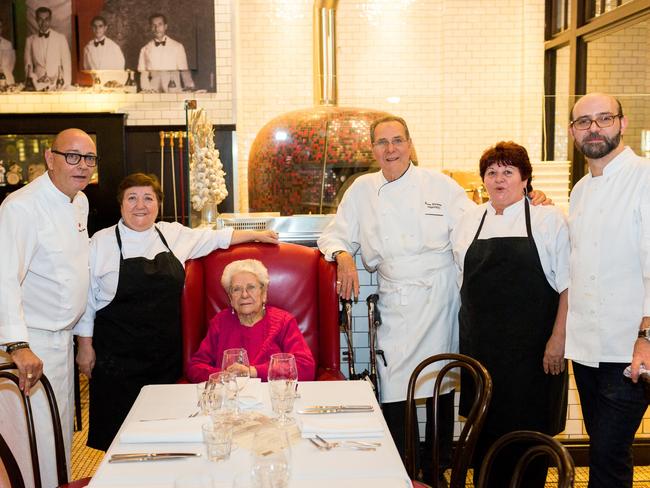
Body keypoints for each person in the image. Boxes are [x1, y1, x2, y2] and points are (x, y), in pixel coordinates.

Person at [317, 115, 549, 484]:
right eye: (382, 142)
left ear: (410, 144)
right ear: (373, 149)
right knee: (395, 389)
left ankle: (437, 469)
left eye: (397, 141)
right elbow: (334, 235)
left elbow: (483, 219)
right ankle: (401, 470)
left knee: (441, 380)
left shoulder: (440, 185)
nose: (390, 149)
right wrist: (343, 256)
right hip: (395, 298)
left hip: (441, 297)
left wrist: (528, 199)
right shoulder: (361, 189)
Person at [75, 172, 278, 451]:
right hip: (117, 360)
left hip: (165, 359)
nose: (140, 205)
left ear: (158, 204)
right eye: (132, 198)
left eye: (148, 198)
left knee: (167, 435)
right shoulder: (101, 241)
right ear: (120, 205)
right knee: (120, 442)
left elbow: (218, 238)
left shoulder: (172, 234)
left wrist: (256, 234)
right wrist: (84, 346)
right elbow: (86, 297)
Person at [452, 141, 569, 487]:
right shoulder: (469, 221)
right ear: (483, 180)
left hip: (533, 356)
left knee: (528, 447)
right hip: (481, 354)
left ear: (525, 179)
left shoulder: (549, 220)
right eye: (491, 172)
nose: (499, 179)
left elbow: (568, 286)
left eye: (508, 171)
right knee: (483, 447)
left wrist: (558, 339)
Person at [0, 128, 97, 488]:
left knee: (58, 435)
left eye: (89, 158)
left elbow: (77, 273)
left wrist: (82, 340)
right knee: (32, 439)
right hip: (30, 345)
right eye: (72, 156)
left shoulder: (80, 201)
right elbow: (4, 278)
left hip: (63, 341)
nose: (82, 166)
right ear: (49, 158)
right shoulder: (20, 207)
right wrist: (18, 346)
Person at [565, 92, 650, 488]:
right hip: (586, 350)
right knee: (607, 449)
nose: (594, 128)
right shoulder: (580, 190)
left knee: (606, 454)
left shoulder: (645, 177)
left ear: (622, 123)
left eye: (603, 119)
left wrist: (646, 337)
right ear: (572, 131)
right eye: (584, 122)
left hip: (627, 346)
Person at [187, 259, 316, 383]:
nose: (244, 294)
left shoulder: (284, 322)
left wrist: (253, 372)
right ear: (230, 297)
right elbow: (195, 367)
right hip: (230, 399)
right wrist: (224, 376)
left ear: (264, 293)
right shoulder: (220, 323)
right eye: (236, 289)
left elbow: (306, 367)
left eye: (251, 287)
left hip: (272, 397)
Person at [137, 13, 194, 93]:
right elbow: (143, 74)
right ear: (150, 28)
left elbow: (184, 70)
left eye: (160, 24)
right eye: (154, 25)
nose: (157, 28)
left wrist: (189, 87)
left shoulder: (177, 47)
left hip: (174, 90)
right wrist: (147, 90)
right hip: (154, 92)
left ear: (165, 26)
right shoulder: (144, 49)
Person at [24, 6, 71, 90]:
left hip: (57, 84)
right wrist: (33, 81)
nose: (43, 22)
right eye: (40, 19)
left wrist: (66, 85)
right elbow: (28, 65)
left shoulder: (60, 38)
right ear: (36, 20)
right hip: (37, 83)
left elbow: (67, 64)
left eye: (46, 19)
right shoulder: (30, 40)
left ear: (50, 19)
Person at [82, 15, 127, 86]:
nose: (97, 29)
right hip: (95, 85)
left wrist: (115, 83)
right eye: (95, 26)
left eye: (100, 26)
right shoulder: (87, 48)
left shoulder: (114, 47)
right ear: (92, 28)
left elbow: (121, 68)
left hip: (111, 85)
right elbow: (86, 67)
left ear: (105, 28)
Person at [0, 18, 16, 85]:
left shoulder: (8, 44)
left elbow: (12, 63)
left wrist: (6, 73)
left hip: (7, 80)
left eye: (0, 27)